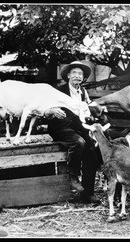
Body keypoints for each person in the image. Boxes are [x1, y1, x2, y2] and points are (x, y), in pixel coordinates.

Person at [43, 61, 100, 204]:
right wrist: (51, 111)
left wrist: (93, 111)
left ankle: (87, 194)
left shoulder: (83, 92)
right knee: (78, 142)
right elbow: (45, 110)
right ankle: (73, 177)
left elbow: (87, 111)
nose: (77, 76)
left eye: (80, 74)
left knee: (92, 151)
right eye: (74, 73)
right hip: (60, 128)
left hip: (78, 127)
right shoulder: (59, 91)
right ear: (68, 75)